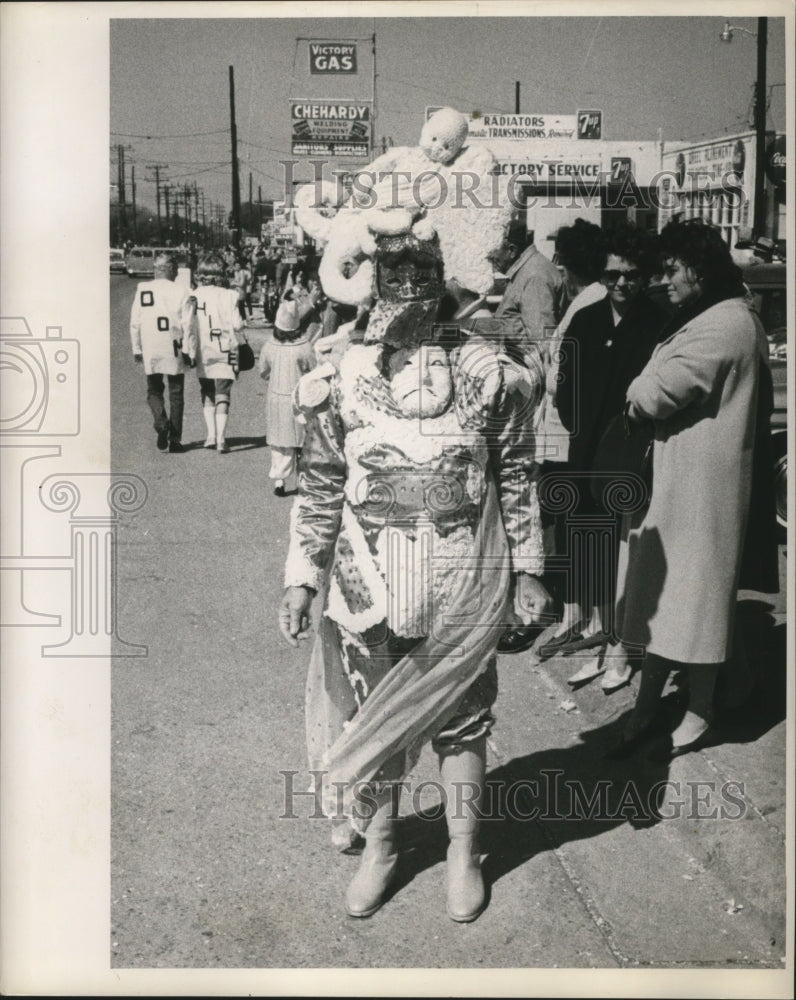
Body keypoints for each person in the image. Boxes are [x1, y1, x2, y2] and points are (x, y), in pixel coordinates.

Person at [278, 228, 551, 923]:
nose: (407, 291)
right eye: (393, 276)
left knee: (464, 726)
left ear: (443, 280)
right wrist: (302, 577)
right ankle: (384, 847)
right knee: (378, 724)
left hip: (462, 582)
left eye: (420, 275)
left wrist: (527, 570)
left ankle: (464, 854)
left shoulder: (490, 371)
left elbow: (516, 474)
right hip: (368, 585)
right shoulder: (341, 372)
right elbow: (320, 483)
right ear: (371, 285)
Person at [608, 220, 777, 759]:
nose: (664, 282)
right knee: (674, 601)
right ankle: (653, 702)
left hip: (703, 490)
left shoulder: (722, 325)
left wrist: (638, 382)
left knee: (696, 605)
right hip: (688, 485)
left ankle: (699, 710)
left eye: (672, 270)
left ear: (699, 269)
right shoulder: (717, 316)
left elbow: (652, 395)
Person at [541, 224, 666, 668]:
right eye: (613, 275)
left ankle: (615, 629)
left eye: (631, 275)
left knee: (623, 541)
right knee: (585, 532)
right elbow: (565, 380)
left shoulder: (656, 322)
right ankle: (587, 619)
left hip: (628, 450)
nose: (621, 284)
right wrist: (579, 427)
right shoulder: (588, 318)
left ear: (644, 275)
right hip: (584, 447)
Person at [499, 219, 607, 654]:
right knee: (550, 515)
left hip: (555, 423)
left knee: (547, 515)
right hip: (549, 419)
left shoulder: (554, 285)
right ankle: (561, 611)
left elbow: (548, 353)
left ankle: (544, 611)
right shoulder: (577, 294)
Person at [129, 252, 196, 453]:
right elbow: (188, 324)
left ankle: (161, 422)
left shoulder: (142, 289)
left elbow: (135, 322)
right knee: (176, 393)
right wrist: (190, 350)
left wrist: (136, 348)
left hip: (151, 345)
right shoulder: (182, 291)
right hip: (173, 345)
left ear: (156, 270)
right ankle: (175, 440)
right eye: (175, 270)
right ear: (172, 270)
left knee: (154, 390)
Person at [258, 298, 316, 496]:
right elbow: (313, 369)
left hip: (276, 397)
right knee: (302, 440)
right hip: (299, 397)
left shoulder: (269, 346)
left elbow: (263, 371)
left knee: (280, 441)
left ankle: (279, 480)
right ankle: (303, 479)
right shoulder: (304, 346)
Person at [493, 219, 567, 368]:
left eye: (493, 248)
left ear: (511, 251)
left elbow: (543, 346)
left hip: (532, 377)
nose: (489, 255)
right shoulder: (528, 271)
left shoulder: (534, 277)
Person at [191, 253, 244, 454]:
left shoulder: (194, 295)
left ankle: (210, 436)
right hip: (226, 350)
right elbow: (237, 325)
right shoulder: (230, 295)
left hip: (203, 350)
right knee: (223, 393)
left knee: (207, 392)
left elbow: (188, 324)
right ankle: (222, 439)